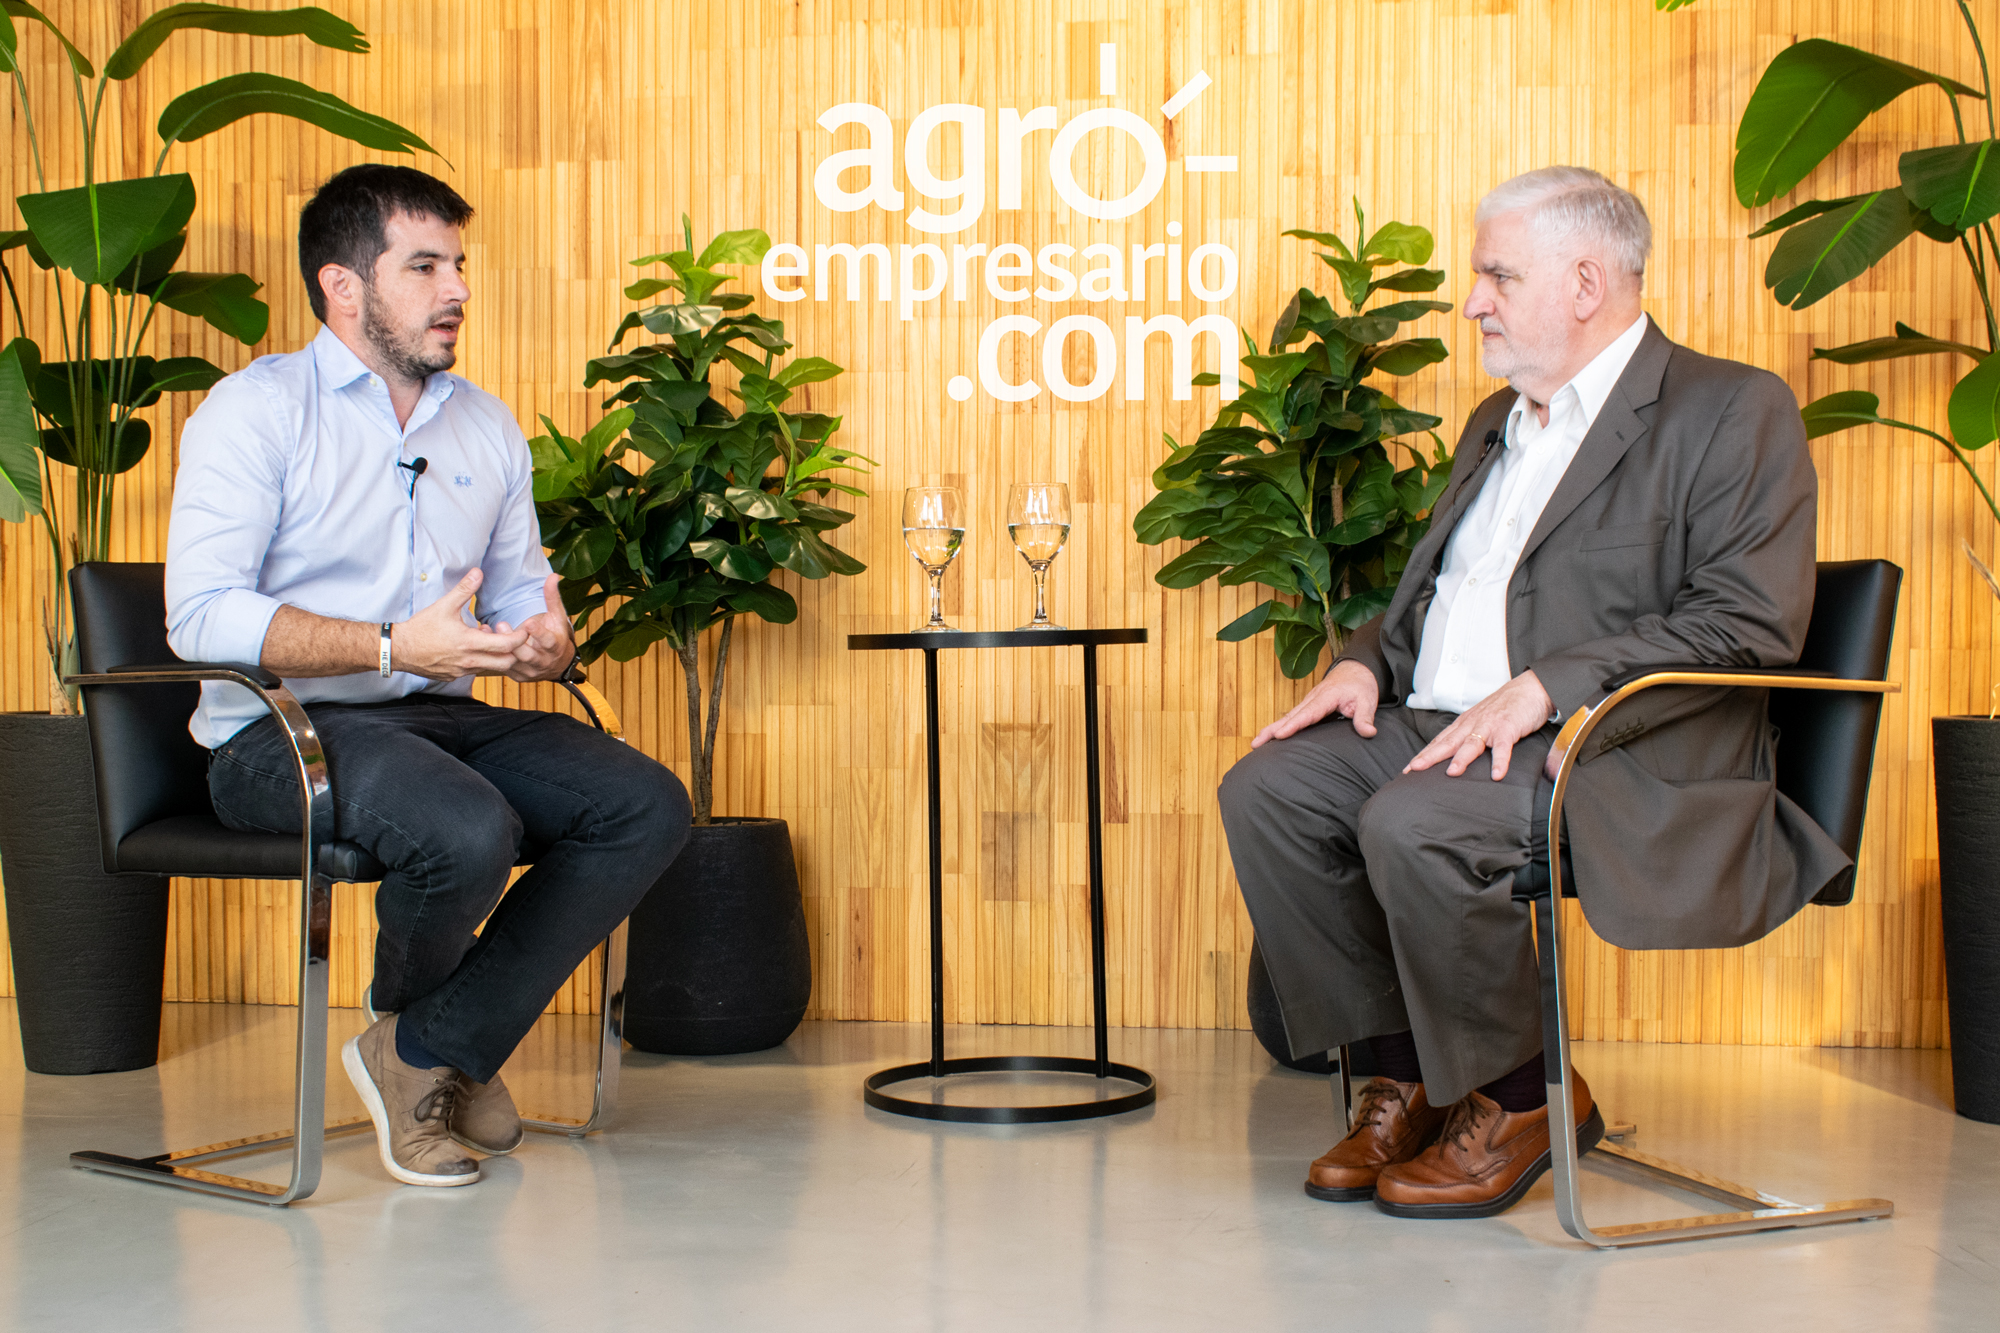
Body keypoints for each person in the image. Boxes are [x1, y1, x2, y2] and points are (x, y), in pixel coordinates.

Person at [1217, 166, 1846, 1219]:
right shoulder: (1494, 419)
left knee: (1410, 820)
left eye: (1495, 276)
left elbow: (1747, 620)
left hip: (1611, 750)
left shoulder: (1728, 410)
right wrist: (1362, 662)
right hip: (1446, 723)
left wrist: (1547, 686)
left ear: (1585, 283)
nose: (1472, 300)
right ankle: (1409, 1075)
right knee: (1269, 790)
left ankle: (1514, 1099)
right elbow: (1440, 595)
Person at [165, 164, 691, 1189]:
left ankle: (427, 1049)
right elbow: (200, 616)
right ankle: (445, 1059)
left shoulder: (483, 425)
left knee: (644, 802)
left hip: (438, 715)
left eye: (458, 264)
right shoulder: (258, 409)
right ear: (344, 287)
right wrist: (393, 646)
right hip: (280, 735)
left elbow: (517, 603)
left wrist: (546, 642)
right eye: (423, 266)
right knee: (461, 825)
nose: (455, 289)